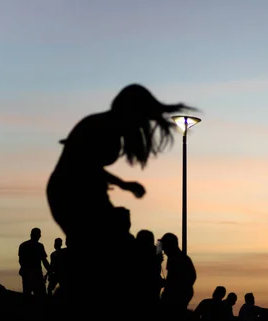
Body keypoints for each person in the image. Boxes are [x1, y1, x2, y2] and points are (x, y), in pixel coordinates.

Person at [45, 84, 197, 307]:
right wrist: (122, 185)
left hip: (88, 192)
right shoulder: (98, 126)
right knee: (100, 253)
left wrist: (123, 185)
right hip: (70, 193)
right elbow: (83, 163)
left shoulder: (111, 128)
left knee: (113, 252)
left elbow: (91, 166)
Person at [18, 228, 50, 297]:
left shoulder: (23, 245)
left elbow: (21, 261)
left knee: (27, 295)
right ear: (39, 236)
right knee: (41, 296)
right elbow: (44, 261)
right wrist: (50, 270)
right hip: (36, 275)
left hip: (26, 275)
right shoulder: (39, 246)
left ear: (30, 235)